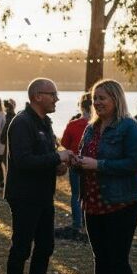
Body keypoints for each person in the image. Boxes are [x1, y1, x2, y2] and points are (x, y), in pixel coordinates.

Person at [74, 79, 137, 274]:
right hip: (92, 202)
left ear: (116, 99)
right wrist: (76, 161)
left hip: (121, 203)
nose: (98, 102)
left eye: (103, 98)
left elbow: (136, 163)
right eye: (95, 98)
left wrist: (98, 165)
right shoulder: (92, 128)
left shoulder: (129, 127)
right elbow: (86, 158)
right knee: (101, 260)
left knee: (118, 260)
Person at [4, 78, 74, 274]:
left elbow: (43, 157)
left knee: (45, 246)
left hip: (44, 195)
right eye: (52, 94)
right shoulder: (22, 123)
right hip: (24, 196)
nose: (56, 99)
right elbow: (23, 161)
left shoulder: (45, 122)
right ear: (37, 97)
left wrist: (58, 165)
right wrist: (56, 156)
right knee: (21, 249)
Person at [55, 93, 92, 242]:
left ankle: (77, 223)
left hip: (76, 164)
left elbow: (65, 144)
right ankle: (90, 222)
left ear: (81, 107)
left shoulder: (73, 124)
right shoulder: (101, 124)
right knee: (92, 194)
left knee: (76, 195)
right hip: (94, 164)